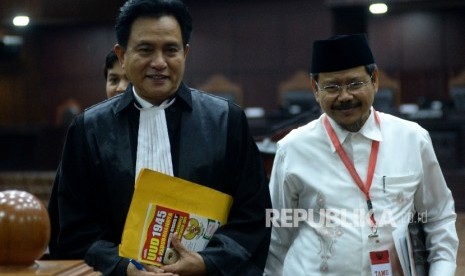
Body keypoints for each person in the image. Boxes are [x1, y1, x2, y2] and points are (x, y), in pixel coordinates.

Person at [47, 0, 271, 275]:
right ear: (122, 55)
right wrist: (123, 267)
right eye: (145, 49)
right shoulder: (88, 129)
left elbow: (253, 215)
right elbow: (72, 226)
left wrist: (205, 262)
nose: (159, 62)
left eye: (171, 50)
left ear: (185, 53)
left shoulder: (226, 120)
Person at [264, 34, 458, 275]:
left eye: (355, 84)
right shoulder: (292, 148)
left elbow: (438, 217)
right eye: (332, 87)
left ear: (374, 79)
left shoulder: (412, 139)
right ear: (315, 89)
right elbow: (276, 236)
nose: (345, 96)